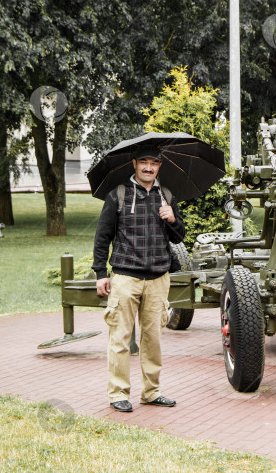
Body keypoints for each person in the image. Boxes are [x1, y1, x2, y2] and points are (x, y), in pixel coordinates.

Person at [92, 145, 185, 412]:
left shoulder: (166, 196)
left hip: (158, 278)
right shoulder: (117, 195)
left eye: (153, 163)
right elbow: (102, 237)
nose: (148, 167)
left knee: (152, 339)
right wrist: (100, 273)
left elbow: (179, 238)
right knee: (120, 338)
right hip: (125, 277)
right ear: (134, 164)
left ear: (159, 166)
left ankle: (152, 392)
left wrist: (172, 219)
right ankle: (118, 393)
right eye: (143, 162)